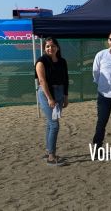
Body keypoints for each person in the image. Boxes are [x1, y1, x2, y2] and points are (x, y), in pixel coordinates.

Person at [35, 37, 69, 166]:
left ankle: (48, 150)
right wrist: (50, 98)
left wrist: (65, 96)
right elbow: (42, 81)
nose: (50, 48)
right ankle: (51, 156)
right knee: (55, 124)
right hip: (46, 93)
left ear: (57, 47)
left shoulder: (62, 61)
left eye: (53, 46)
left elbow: (65, 79)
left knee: (50, 123)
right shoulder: (41, 62)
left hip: (60, 92)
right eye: (48, 46)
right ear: (44, 48)